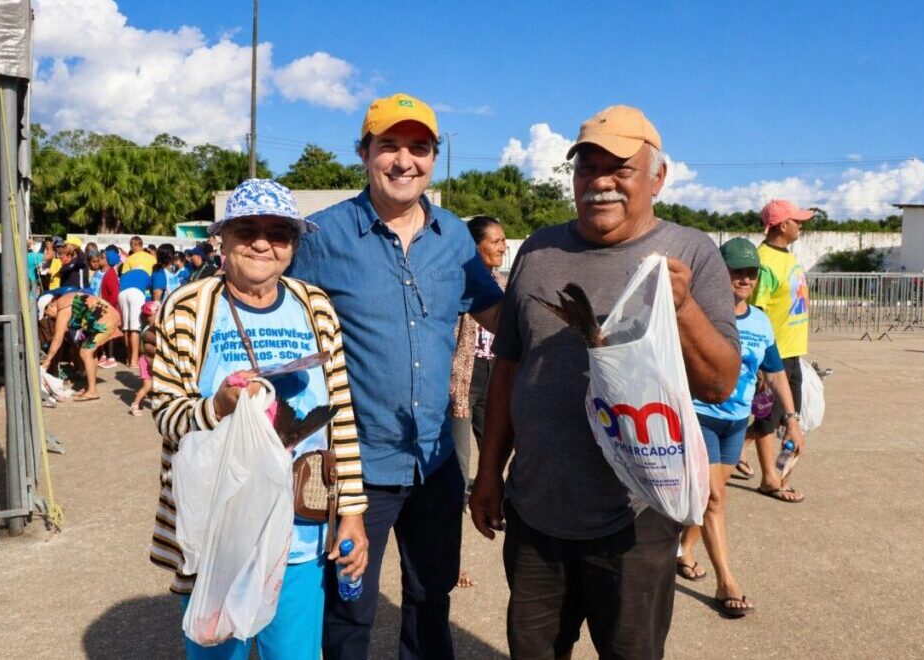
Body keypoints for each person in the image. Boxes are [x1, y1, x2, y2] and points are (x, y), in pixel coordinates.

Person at [469, 105, 740, 659]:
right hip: (536, 512)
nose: (600, 183)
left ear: (658, 177)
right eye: (586, 168)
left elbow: (719, 384)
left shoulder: (691, 253)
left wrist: (683, 309)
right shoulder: (539, 250)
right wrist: (489, 472)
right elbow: (509, 370)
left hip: (637, 522)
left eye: (619, 169)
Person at [289, 93, 504, 660]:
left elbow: (490, 308)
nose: (404, 161)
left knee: (432, 600)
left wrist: (560, 331)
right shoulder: (320, 237)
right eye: (389, 146)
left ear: (433, 158)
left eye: (419, 148)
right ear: (364, 153)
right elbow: (273, 308)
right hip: (355, 468)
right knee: (348, 607)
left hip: (435, 460)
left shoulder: (454, 236)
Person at [149, 178, 368, 659]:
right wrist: (219, 407)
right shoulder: (189, 308)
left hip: (300, 528)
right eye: (248, 229)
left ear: (294, 244)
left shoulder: (316, 307)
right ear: (222, 238)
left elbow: (341, 417)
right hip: (219, 533)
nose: (264, 243)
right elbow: (166, 414)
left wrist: (351, 511)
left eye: (280, 232)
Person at [676, 237, 805, 618]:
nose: (744, 279)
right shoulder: (698, 313)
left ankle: (683, 550)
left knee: (708, 498)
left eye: (751, 273)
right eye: (737, 272)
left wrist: (792, 421)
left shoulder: (762, 322)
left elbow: (776, 372)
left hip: (736, 422)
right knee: (714, 498)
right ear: (720, 273)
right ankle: (726, 581)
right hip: (699, 416)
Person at [449, 215, 507, 591]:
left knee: (495, 458)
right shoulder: (460, 284)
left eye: (504, 241)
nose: (503, 246)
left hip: (495, 382)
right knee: (457, 474)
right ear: (476, 246)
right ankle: (450, 561)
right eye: (496, 241)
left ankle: (492, 513)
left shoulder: (503, 285)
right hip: (462, 384)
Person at [742, 199, 813, 503]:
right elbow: (755, 310)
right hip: (773, 356)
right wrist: (759, 363)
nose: (802, 225)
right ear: (783, 225)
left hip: (793, 352)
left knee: (790, 419)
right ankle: (771, 479)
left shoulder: (787, 256)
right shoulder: (764, 261)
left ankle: (755, 461)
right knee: (767, 420)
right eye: (797, 220)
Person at [40, 291, 119, 401]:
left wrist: (47, 361)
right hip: (105, 316)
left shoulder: (63, 308)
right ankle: (90, 387)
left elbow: (57, 338)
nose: (47, 316)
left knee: (85, 352)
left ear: (50, 305)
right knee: (91, 353)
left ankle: (92, 391)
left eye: (46, 313)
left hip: (105, 319)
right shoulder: (64, 301)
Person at [118, 260, 150, 367]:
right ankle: (134, 361)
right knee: (135, 328)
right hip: (136, 293)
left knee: (126, 329)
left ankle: (128, 358)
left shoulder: (126, 274)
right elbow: (149, 288)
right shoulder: (145, 273)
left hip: (122, 294)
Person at [129, 301, 159, 416]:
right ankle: (135, 404)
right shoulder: (148, 330)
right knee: (147, 386)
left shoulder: (148, 327)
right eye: (156, 312)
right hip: (146, 361)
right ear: (149, 316)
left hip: (150, 360)